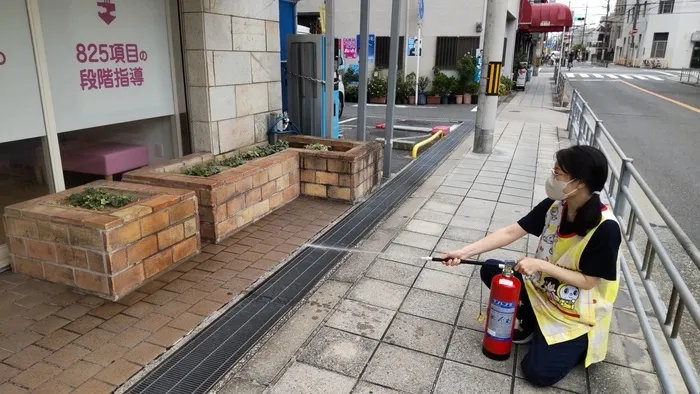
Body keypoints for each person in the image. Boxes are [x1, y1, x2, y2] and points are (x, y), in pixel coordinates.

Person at [442, 145, 621, 387]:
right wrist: (462, 253)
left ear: (579, 182)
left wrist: (539, 265)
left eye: (558, 173)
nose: (552, 178)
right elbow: (510, 231)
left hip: (575, 311)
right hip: (544, 290)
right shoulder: (556, 205)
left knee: (538, 373)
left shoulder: (606, 228)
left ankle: (578, 343)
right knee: (492, 269)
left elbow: (589, 281)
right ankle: (532, 321)